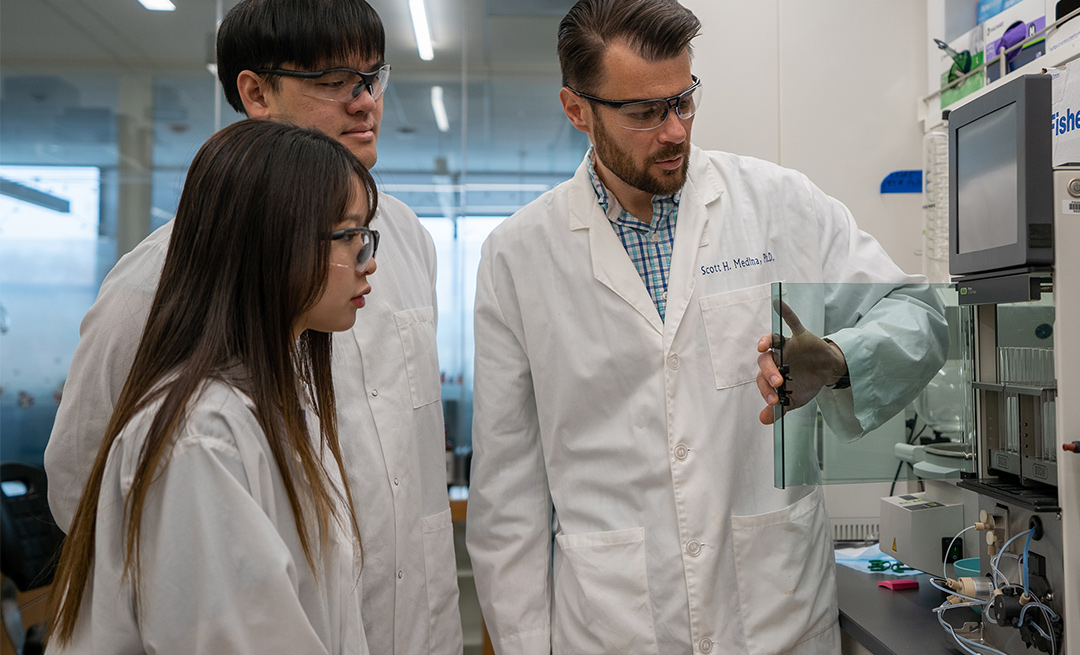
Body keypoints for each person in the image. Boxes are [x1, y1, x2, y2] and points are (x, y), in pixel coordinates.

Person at [465, 1, 948, 654]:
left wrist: (839, 357)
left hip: (776, 617)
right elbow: (508, 505)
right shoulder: (517, 256)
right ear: (577, 109)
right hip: (612, 629)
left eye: (684, 101)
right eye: (644, 112)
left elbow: (919, 315)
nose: (674, 131)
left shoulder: (781, 205)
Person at [43, 1, 462, 653]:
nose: (365, 102)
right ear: (255, 91)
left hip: (407, 624)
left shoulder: (404, 240)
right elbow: (85, 484)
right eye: (334, 82)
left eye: (373, 77)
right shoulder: (152, 281)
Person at [46, 118, 377, 653]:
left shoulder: (275, 403)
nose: (369, 260)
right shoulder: (202, 437)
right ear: (269, 244)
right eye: (349, 236)